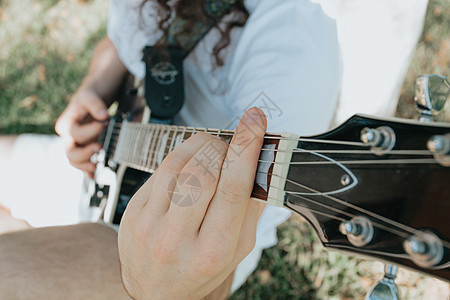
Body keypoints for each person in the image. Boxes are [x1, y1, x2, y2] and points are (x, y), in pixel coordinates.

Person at [0, 0, 341, 298]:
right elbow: (125, 39)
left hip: (173, 241)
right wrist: (95, 85)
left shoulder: (292, 37)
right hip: (107, 170)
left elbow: (216, 259)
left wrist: (164, 290)